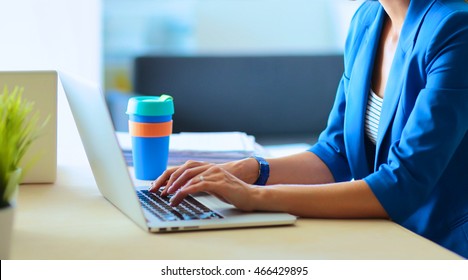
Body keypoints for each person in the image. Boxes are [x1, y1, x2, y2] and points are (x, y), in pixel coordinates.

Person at [150, 0, 468, 258]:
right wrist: (243, 171)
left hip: (439, 247)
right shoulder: (368, 19)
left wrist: (255, 196)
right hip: (386, 236)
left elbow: (402, 184)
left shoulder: (456, 29)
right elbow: (335, 152)